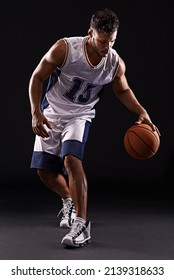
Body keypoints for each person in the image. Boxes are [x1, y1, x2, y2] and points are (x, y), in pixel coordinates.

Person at [28, 8, 159, 248]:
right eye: (102, 40)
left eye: (112, 41)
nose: (107, 46)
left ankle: (81, 225)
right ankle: (69, 200)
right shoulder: (65, 48)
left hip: (80, 115)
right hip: (52, 112)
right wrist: (36, 112)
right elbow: (37, 77)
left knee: (71, 160)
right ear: (90, 33)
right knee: (44, 171)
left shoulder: (114, 62)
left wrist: (141, 111)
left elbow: (123, 90)